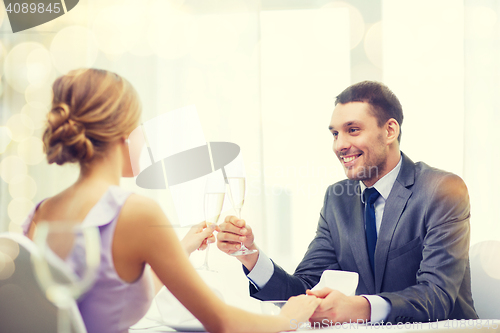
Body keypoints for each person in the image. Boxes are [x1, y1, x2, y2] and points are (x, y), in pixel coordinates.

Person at [21, 68, 320, 333]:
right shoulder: (135, 211)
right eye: (140, 127)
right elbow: (222, 323)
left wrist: (181, 249)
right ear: (123, 134)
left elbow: (102, 301)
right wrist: (288, 318)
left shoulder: (40, 212)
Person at [217, 81, 478, 324]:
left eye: (353, 130)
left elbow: (436, 297)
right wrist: (250, 255)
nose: (340, 145)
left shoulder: (441, 190)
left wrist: (356, 308)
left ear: (389, 130)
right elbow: (303, 291)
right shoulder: (337, 198)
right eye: (334, 134)